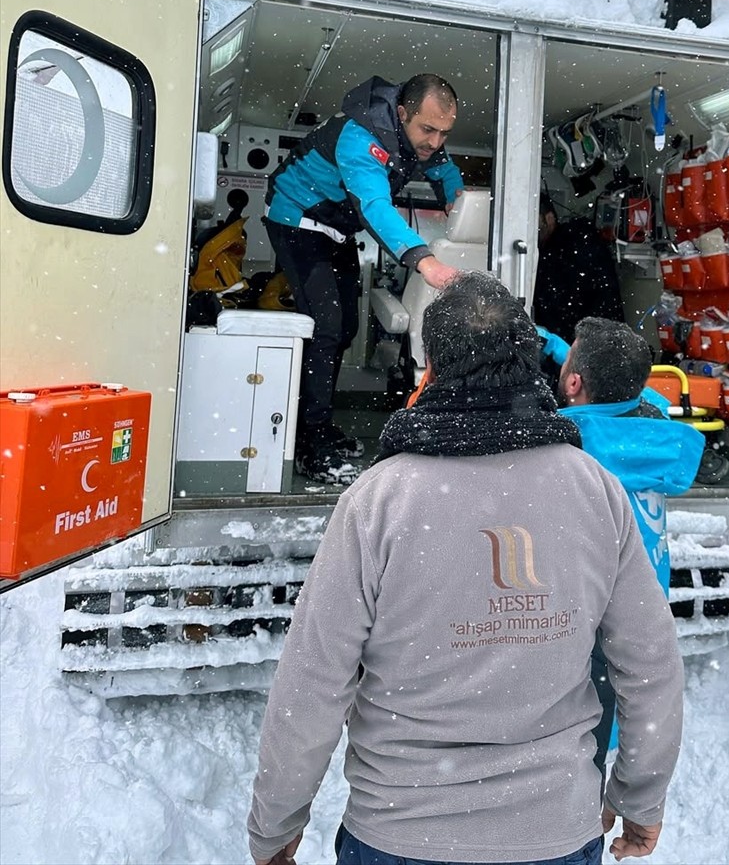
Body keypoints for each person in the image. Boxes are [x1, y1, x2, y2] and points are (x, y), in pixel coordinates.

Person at [247, 273, 684, 865]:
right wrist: (639, 799)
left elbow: (314, 681)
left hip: (399, 834)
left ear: (430, 367)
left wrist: (276, 825)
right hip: (554, 832)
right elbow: (651, 667)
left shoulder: (380, 498)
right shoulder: (595, 490)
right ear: (532, 362)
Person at [264, 73, 464, 483]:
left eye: (444, 132)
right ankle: (308, 443)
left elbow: (445, 171)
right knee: (326, 327)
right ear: (403, 113)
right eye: (428, 129)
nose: (434, 142)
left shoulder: (421, 141)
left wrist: (458, 207)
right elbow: (373, 204)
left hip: (335, 229)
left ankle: (317, 425)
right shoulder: (360, 136)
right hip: (297, 219)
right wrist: (425, 262)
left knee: (346, 328)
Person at [554, 316, 704, 780]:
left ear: (574, 381)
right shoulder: (655, 433)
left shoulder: (568, 447)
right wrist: (559, 347)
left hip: (589, 623)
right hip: (641, 614)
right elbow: (636, 393)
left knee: (573, 758)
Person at [533, 194, 624, 347]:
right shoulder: (576, 241)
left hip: (587, 341)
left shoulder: (565, 250)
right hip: (599, 338)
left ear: (549, 218)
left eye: (534, 223)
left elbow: (560, 307)